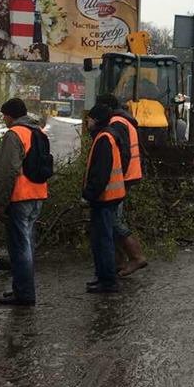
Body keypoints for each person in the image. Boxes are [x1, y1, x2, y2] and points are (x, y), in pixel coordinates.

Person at [0, 98, 46, 307]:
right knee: (28, 245)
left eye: (4, 115)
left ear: (10, 115)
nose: (4, 120)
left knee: (20, 247)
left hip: (20, 197)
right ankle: (21, 288)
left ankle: (24, 294)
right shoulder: (38, 132)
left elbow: (9, 172)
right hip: (38, 195)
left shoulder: (14, 134)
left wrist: (0, 203)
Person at [97, 94, 148, 276]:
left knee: (113, 219)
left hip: (121, 178)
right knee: (113, 218)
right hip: (128, 176)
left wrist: (113, 177)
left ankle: (136, 256)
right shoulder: (126, 120)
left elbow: (122, 154)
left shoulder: (117, 123)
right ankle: (118, 261)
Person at [83, 103, 126, 293]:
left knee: (103, 241)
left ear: (97, 119)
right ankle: (103, 277)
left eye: (90, 118)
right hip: (110, 196)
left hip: (105, 197)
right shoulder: (107, 136)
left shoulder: (104, 139)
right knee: (101, 239)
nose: (87, 121)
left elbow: (100, 173)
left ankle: (107, 281)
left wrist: (88, 195)